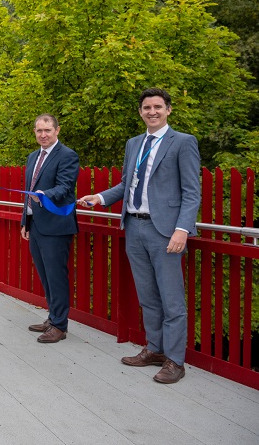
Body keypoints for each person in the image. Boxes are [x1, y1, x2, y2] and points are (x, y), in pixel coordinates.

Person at [79, 88, 200, 384]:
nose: (152, 112)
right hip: (134, 227)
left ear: (168, 110)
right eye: (147, 107)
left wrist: (182, 229)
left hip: (166, 232)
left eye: (158, 107)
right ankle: (156, 349)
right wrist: (100, 196)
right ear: (140, 112)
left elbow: (191, 192)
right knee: (147, 296)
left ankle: (175, 360)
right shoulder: (134, 143)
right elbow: (126, 184)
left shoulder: (183, 142)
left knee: (171, 299)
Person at [20, 114, 79, 343]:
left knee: (56, 277)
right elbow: (28, 189)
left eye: (47, 130)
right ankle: (53, 317)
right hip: (36, 225)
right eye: (39, 131)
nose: (43, 135)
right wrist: (26, 220)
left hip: (56, 226)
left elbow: (64, 186)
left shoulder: (67, 155)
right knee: (45, 276)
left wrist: (45, 196)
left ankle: (59, 326)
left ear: (57, 130)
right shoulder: (33, 157)